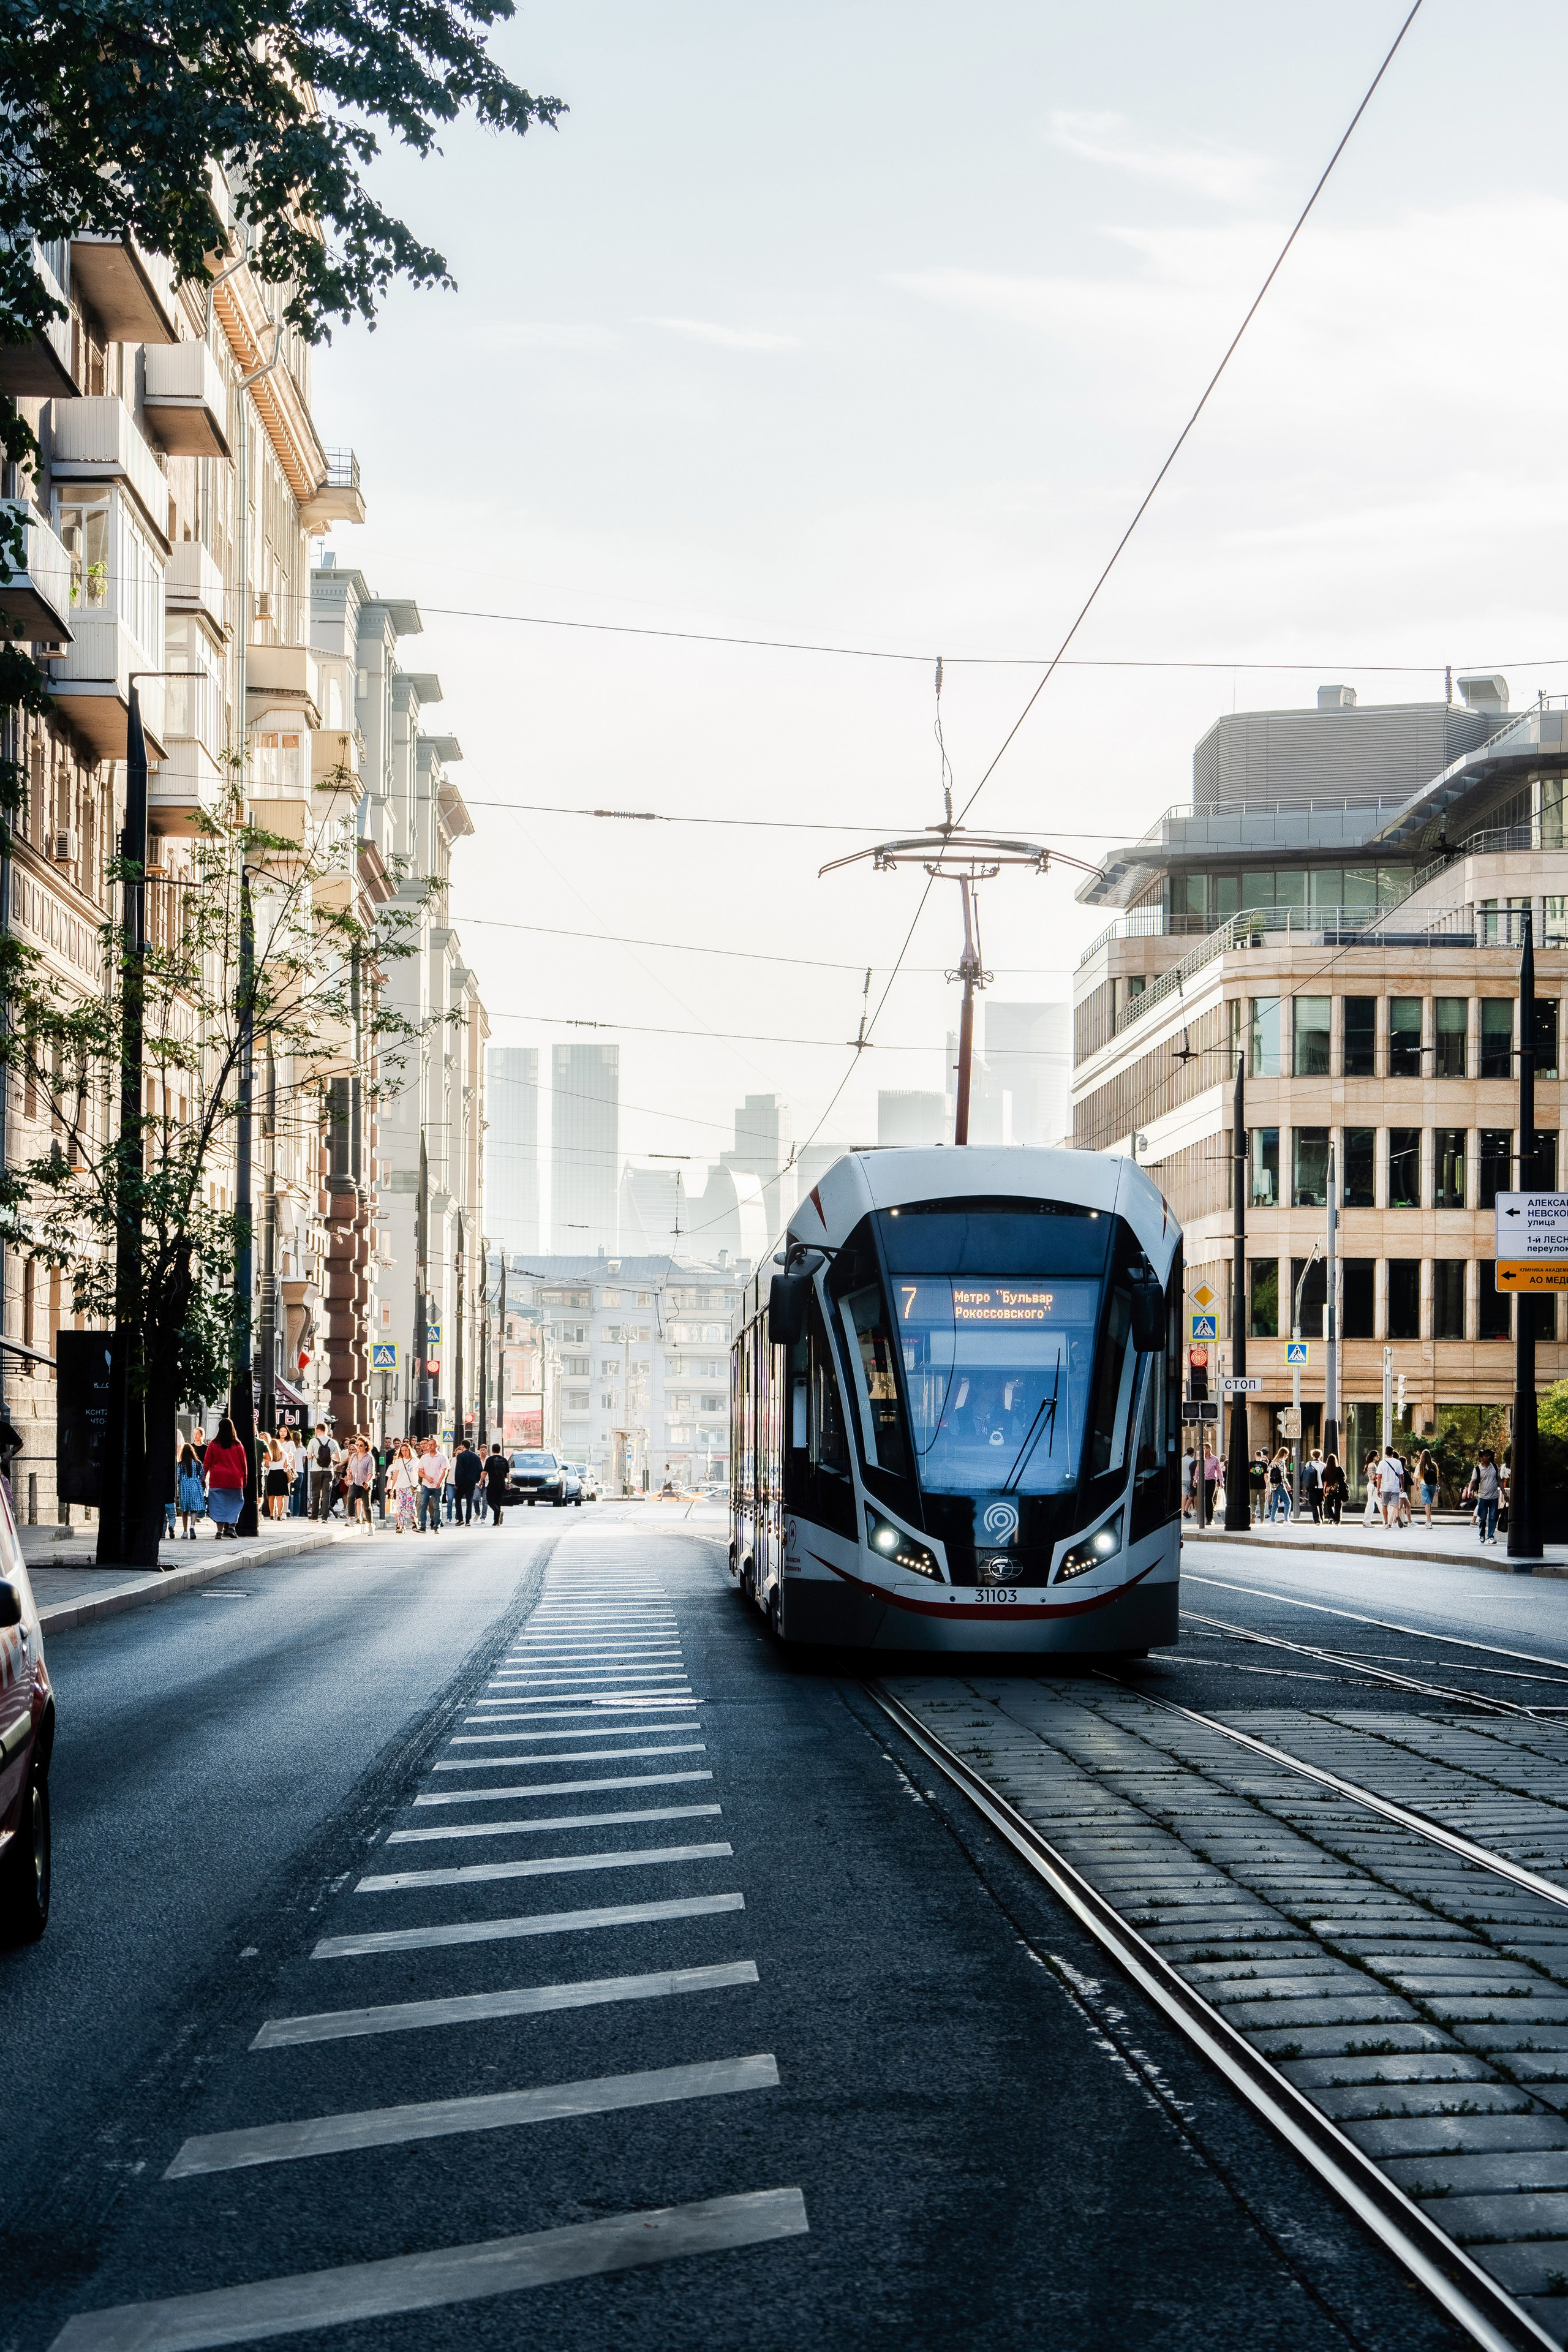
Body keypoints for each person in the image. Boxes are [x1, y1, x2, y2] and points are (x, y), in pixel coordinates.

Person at [203, 1417, 249, 1539]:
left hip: (217, 1479)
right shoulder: (238, 1445)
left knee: (219, 1505)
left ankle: (219, 1531)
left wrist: (203, 1478)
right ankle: (232, 1528)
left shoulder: (213, 1444)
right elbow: (243, 1464)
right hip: (235, 1479)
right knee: (235, 1504)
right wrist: (244, 1479)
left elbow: (207, 1463)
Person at [1466, 1447, 1501, 1545]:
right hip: (1482, 1497)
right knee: (1482, 1517)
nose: (1488, 1457)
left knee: (1493, 1517)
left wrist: (1505, 1493)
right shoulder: (1477, 1469)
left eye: (1489, 1456)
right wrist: (1470, 1491)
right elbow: (1473, 1481)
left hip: (1494, 1496)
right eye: (1486, 1456)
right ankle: (1482, 1535)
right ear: (1481, 1457)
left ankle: (1491, 1537)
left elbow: (1499, 1480)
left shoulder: (1494, 1467)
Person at [417, 1434, 450, 1531]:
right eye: (429, 1445)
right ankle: (423, 1526)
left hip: (437, 1485)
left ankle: (437, 1525)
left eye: (432, 1445)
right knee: (423, 1505)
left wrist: (440, 1481)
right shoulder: (424, 1457)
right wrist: (427, 1478)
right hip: (426, 1485)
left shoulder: (442, 1457)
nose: (430, 1446)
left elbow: (445, 1470)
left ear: (437, 1446)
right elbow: (420, 1471)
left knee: (437, 1506)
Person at [308, 1422, 339, 1520]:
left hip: (316, 1470)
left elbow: (309, 1457)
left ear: (318, 1430)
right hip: (328, 1470)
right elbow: (338, 1458)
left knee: (316, 1493)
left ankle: (314, 1516)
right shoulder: (333, 1442)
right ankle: (325, 1517)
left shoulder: (313, 1441)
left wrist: (315, 1456)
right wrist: (330, 1456)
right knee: (326, 1494)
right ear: (327, 1431)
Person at [344, 1435, 375, 1532]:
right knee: (351, 1497)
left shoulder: (369, 1458)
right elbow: (349, 1467)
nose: (359, 1447)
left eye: (361, 1445)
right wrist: (349, 1473)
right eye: (358, 1445)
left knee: (366, 1505)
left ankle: (370, 1525)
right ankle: (351, 1518)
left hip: (364, 1483)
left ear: (366, 1446)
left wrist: (368, 1481)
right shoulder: (354, 1456)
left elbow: (371, 1472)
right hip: (354, 1481)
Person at [176, 1441, 206, 1540]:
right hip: (195, 1484)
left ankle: (185, 1532)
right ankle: (192, 1526)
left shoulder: (180, 1464)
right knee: (194, 1509)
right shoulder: (197, 1463)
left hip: (184, 1485)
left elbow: (178, 1477)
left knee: (185, 1509)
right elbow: (202, 1474)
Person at [390, 1439, 420, 1532]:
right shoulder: (399, 1461)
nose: (404, 1452)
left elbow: (419, 1472)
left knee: (410, 1506)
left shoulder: (415, 1461)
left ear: (409, 1450)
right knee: (400, 1507)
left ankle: (414, 1521)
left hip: (411, 1487)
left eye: (406, 1450)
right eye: (402, 1451)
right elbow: (396, 1475)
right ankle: (401, 1525)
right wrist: (393, 1487)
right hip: (400, 1486)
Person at [452, 1438, 483, 1525]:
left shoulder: (461, 1456)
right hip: (472, 1482)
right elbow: (480, 1469)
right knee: (469, 1501)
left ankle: (460, 1519)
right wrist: (477, 1480)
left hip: (462, 1482)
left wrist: (457, 1483)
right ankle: (468, 1521)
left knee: (458, 1499)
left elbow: (459, 1470)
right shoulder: (476, 1456)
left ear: (463, 1446)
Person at [263, 1434, 291, 1521]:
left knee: (272, 1496)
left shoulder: (269, 1455)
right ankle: (279, 1515)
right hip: (281, 1475)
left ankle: (272, 1514)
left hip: (272, 1474)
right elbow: (286, 1465)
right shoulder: (284, 1454)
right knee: (280, 1497)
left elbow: (267, 1466)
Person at [483, 1441, 510, 1528]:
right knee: (498, 1501)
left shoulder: (490, 1460)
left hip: (492, 1483)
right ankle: (496, 1521)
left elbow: (485, 1472)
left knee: (490, 1500)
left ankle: (498, 1512)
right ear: (500, 1450)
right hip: (501, 1484)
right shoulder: (504, 1460)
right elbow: (508, 1474)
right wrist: (508, 1483)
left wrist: (480, 1481)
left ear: (492, 1450)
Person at [1378, 1445, 1405, 1529]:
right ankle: (1397, 1516)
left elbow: (1379, 1477)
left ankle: (1386, 1524)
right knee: (1396, 1505)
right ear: (1393, 1453)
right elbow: (1401, 1476)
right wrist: (1402, 1487)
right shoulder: (1398, 1462)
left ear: (1385, 1453)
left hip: (1385, 1487)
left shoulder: (1382, 1463)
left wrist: (1378, 1488)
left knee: (1384, 1505)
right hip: (1395, 1487)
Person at [1321, 1452, 1347, 1525]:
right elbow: (1344, 1477)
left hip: (1329, 1490)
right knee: (1338, 1504)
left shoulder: (1326, 1470)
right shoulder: (1339, 1469)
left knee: (1329, 1504)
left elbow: (1324, 1480)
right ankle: (1337, 1520)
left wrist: (1324, 1490)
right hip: (1338, 1489)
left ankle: (1332, 1517)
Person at [1265, 1448, 1291, 1523]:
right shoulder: (1281, 1462)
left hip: (1273, 1484)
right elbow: (1283, 1475)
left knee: (1275, 1503)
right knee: (1287, 1502)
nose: (1287, 1456)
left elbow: (1269, 1470)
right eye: (1287, 1455)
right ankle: (1286, 1520)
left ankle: (1272, 1521)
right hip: (1279, 1484)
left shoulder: (1274, 1462)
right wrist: (1287, 1485)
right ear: (1284, 1454)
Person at [1416, 1448, 1439, 1529]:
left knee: (1427, 1504)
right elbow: (1436, 1477)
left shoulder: (1420, 1465)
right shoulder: (1434, 1465)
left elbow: (1416, 1477)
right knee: (1429, 1504)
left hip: (1424, 1485)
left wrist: (1416, 1486)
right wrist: (1437, 1487)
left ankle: (1429, 1522)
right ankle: (1428, 1520)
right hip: (1433, 1486)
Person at [1303, 1449, 1324, 1523]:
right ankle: (1322, 1517)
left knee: (1313, 1504)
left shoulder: (1309, 1464)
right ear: (1320, 1456)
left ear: (1313, 1456)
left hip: (1311, 1487)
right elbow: (1324, 1477)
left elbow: (1304, 1474)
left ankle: (1316, 1520)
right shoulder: (1323, 1465)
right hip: (1320, 1487)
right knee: (1320, 1503)